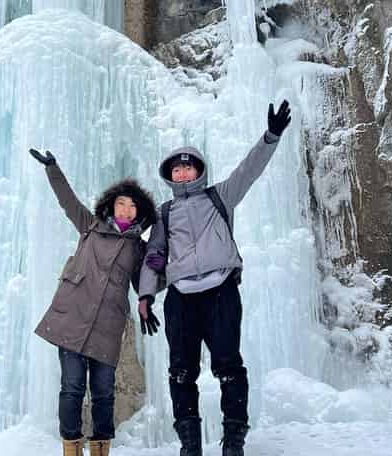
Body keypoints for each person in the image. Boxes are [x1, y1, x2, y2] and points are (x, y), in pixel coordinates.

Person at [136, 100, 291, 456]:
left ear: (199, 171)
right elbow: (154, 256)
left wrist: (271, 136)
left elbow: (248, 171)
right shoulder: (164, 213)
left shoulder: (220, 196)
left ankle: (233, 439)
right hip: (180, 298)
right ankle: (190, 443)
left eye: (187, 168)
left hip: (220, 291)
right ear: (169, 176)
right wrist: (146, 297)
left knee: (229, 365)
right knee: (181, 371)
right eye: (176, 170)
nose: (182, 174)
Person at [30, 148, 159, 456]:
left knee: (103, 394)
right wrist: (53, 169)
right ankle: (71, 449)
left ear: (140, 213)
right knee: (72, 388)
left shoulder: (139, 249)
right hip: (72, 319)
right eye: (121, 204)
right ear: (111, 206)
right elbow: (67, 201)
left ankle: (101, 450)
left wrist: (170, 270)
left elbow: (148, 282)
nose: (126, 210)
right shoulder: (89, 225)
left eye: (132, 206)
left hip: (107, 326)